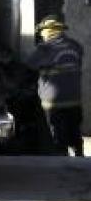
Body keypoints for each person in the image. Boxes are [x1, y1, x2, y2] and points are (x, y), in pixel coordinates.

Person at [26, 15, 84, 156]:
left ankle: (63, 165)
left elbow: (30, 64)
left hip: (54, 103)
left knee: (58, 137)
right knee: (74, 132)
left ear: (46, 32)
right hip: (75, 100)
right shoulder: (75, 45)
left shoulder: (45, 48)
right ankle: (81, 160)